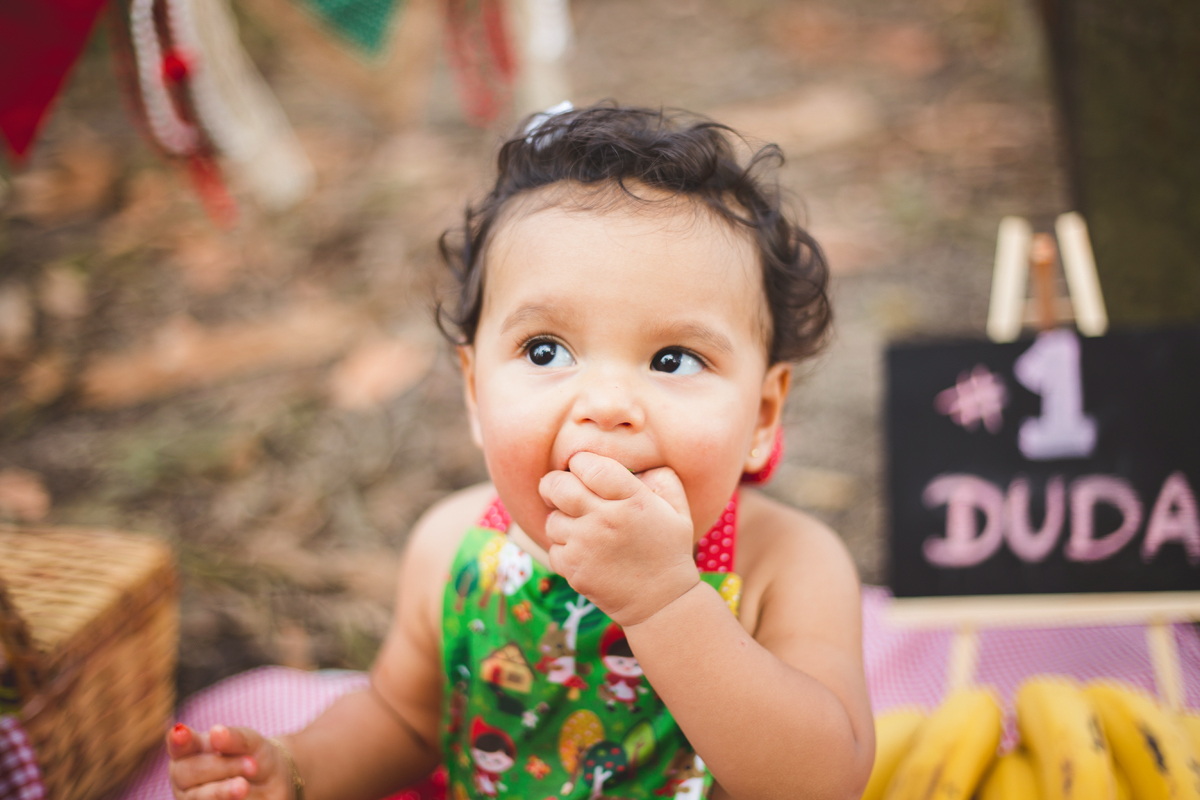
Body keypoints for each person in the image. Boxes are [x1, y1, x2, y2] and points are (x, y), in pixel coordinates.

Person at [166, 103, 873, 800]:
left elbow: (824, 781)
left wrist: (665, 602)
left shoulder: (787, 565)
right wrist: (297, 772)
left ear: (763, 414)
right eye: (545, 350)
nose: (606, 404)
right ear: (476, 391)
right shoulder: (452, 546)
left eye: (673, 359)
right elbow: (402, 721)